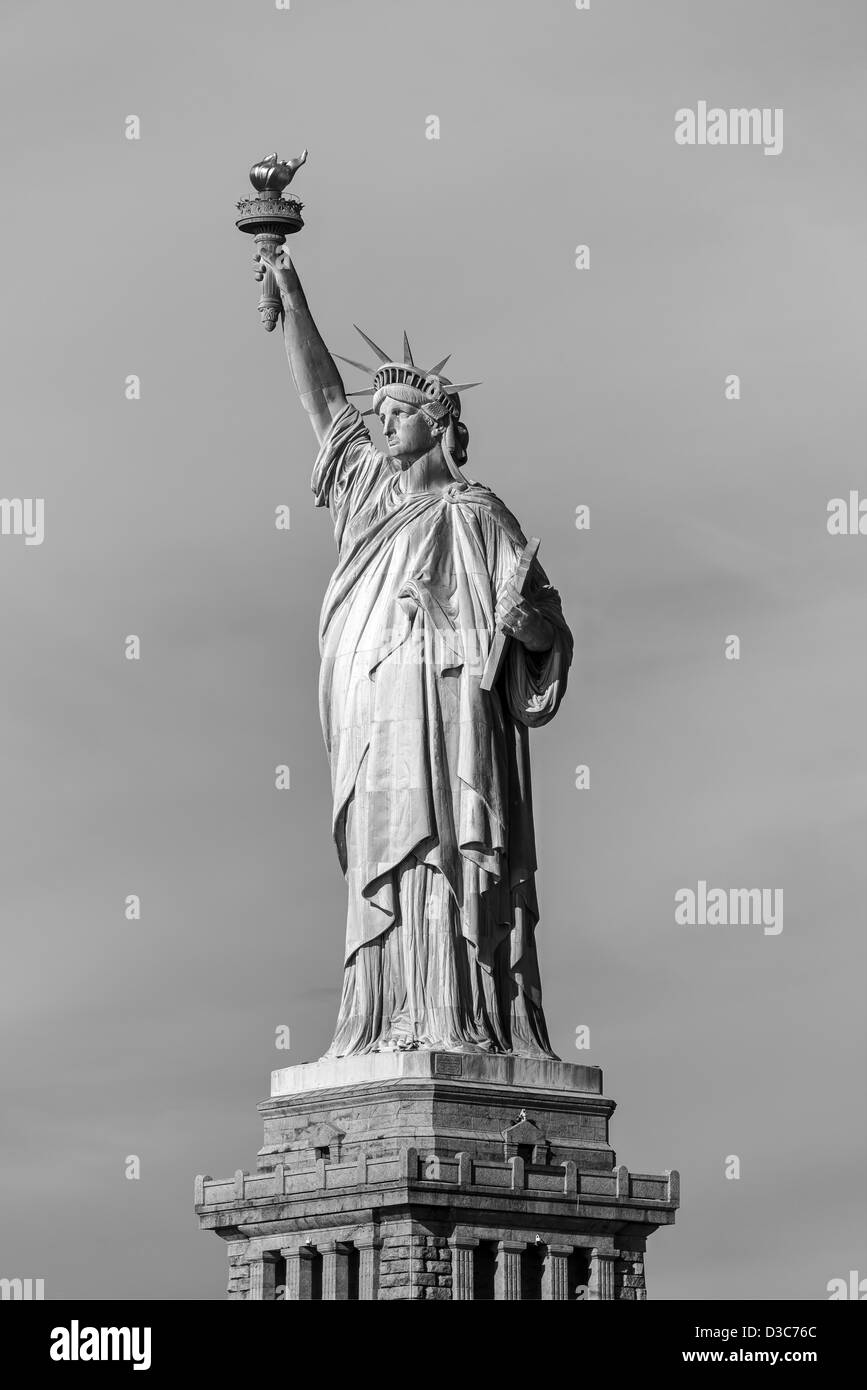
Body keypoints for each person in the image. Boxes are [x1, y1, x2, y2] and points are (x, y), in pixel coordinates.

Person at [258, 249, 573, 1058]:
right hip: (379, 717)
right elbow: (324, 399)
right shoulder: (367, 496)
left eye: (396, 410)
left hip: (456, 713)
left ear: (437, 421)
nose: (382, 420)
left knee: (452, 859)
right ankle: (385, 1019)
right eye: (381, 411)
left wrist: (526, 626)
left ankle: (461, 1018)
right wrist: (289, 287)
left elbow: (546, 636)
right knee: (392, 863)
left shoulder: (479, 514)